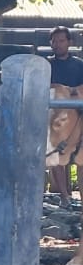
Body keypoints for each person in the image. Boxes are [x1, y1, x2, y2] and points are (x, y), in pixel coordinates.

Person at [47, 26, 83, 202]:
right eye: (54, 41)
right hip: (54, 116)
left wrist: (73, 91)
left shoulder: (79, 65)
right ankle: (64, 195)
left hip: (77, 114)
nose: (57, 44)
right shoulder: (46, 65)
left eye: (61, 40)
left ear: (69, 42)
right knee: (54, 155)